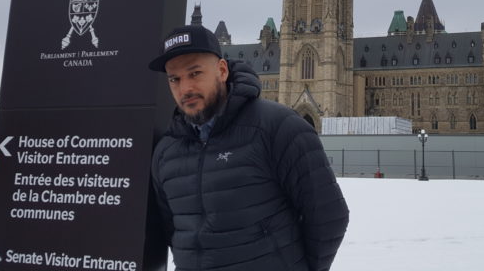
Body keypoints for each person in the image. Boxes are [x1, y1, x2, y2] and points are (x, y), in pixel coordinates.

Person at [148, 24, 349, 271]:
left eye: (195, 73)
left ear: (222, 70)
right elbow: (173, 229)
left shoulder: (279, 127)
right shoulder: (166, 152)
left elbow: (328, 216)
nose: (185, 88)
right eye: (174, 79)